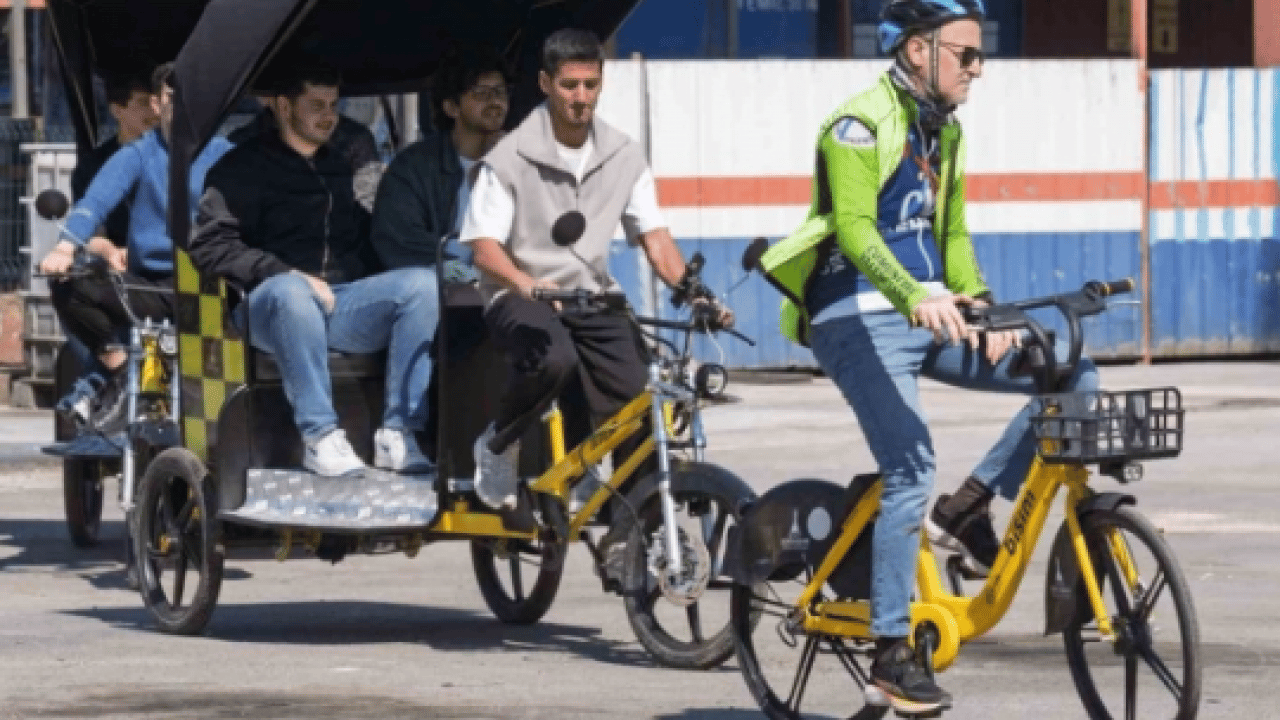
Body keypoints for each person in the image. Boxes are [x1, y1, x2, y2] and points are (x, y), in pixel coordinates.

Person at [756, 0, 1100, 712]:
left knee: (1071, 371)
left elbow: (954, 235)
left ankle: (969, 507)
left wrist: (985, 308)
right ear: (918, 50)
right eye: (966, 54)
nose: (978, 67)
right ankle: (890, 652)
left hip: (932, 308)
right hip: (853, 316)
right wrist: (913, 295)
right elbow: (855, 231)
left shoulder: (946, 131)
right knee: (910, 466)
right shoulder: (856, 125)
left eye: (981, 54)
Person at [460, 29, 732, 510]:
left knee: (642, 395)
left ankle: (632, 516)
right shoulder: (508, 157)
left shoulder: (623, 154)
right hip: (520, 296)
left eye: (591, 84)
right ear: (545, 83)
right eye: (569, 85)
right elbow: (483, 249)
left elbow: (654, 237)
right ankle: (499, 444)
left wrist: (697, 294)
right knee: (554, 359)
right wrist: (527, 283)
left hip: (591, 297)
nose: (581, 97)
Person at [190, 62, 438, 478]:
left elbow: (360, 240)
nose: (329, 116)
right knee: (292, 292)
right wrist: (283, 271)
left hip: (336, 302)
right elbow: (210, 246)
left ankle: (398, 432)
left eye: (334, 105)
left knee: (423, 285)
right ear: (285, 107)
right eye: (317, 105)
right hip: (265, 307)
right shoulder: (240, 167)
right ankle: (320, 436)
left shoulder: (338, 166)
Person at [40, 62, 233, 433]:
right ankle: (120, 373)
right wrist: (65, 248)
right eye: (174, 98)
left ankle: (215, 434)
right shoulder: (139, 153)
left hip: (214, 287)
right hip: (151, 289)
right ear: (159, 104)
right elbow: (95, 202)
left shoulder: (225, 153)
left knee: (210, 418)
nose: (186, 107)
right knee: (69, 284)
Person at [370, 47, 511, 272]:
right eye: (481, 93)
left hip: (513, 282)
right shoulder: (413, 168)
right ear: (452, 107)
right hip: (444, 282)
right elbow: (401, 244)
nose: (495, 101)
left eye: (500, 92)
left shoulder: (522, 160)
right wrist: (463, 275)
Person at [70, 68, 158, 249]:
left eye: (156, 102)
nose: (154, 111)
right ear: (117, 110)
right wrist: (109, 251)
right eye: (144, 103)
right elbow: (91, 226)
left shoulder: (177, 158)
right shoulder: (92, 165)